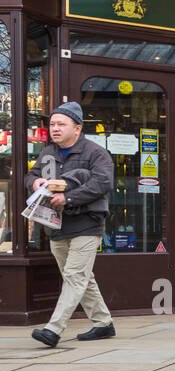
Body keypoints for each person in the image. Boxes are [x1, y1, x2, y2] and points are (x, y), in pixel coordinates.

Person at [25, 102, 116, 347]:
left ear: (77, 128)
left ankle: (53, 329)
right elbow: (31, 175)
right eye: (52, 124)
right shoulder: (47, 153)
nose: (55, 128)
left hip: (87, 223)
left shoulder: (95, 153)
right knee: (81, 276)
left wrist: (69, 197)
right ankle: (103, 323)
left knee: (75, 276)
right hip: (55, 225)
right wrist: (34, 183)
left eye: (61, 124)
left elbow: (103, 183)